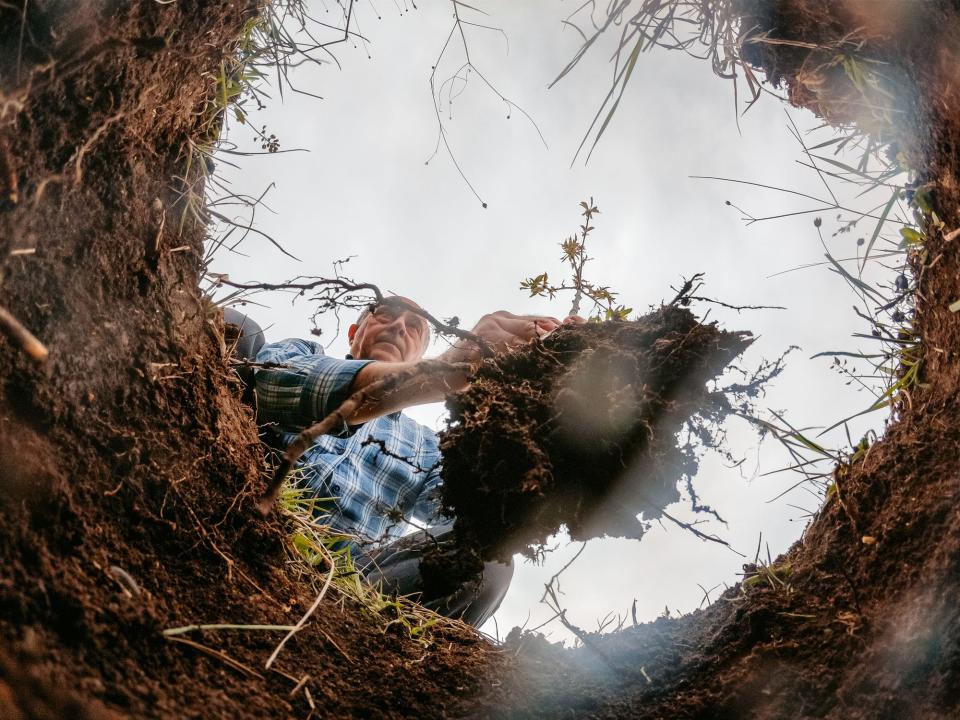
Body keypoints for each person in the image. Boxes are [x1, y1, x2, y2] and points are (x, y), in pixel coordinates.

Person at [246, 296, 570, 627]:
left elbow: (476, 503)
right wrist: (445, 371)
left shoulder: (428, 447)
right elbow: (272, 385)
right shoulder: (304, 353)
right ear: (354, 332)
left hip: (359, 583)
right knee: (240, 329)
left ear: (419, 353)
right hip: (253, 519)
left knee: (488, 561)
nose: (399, 326)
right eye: (385, 315)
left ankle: (358, 642)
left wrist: (536, 407)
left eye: (414, 327)